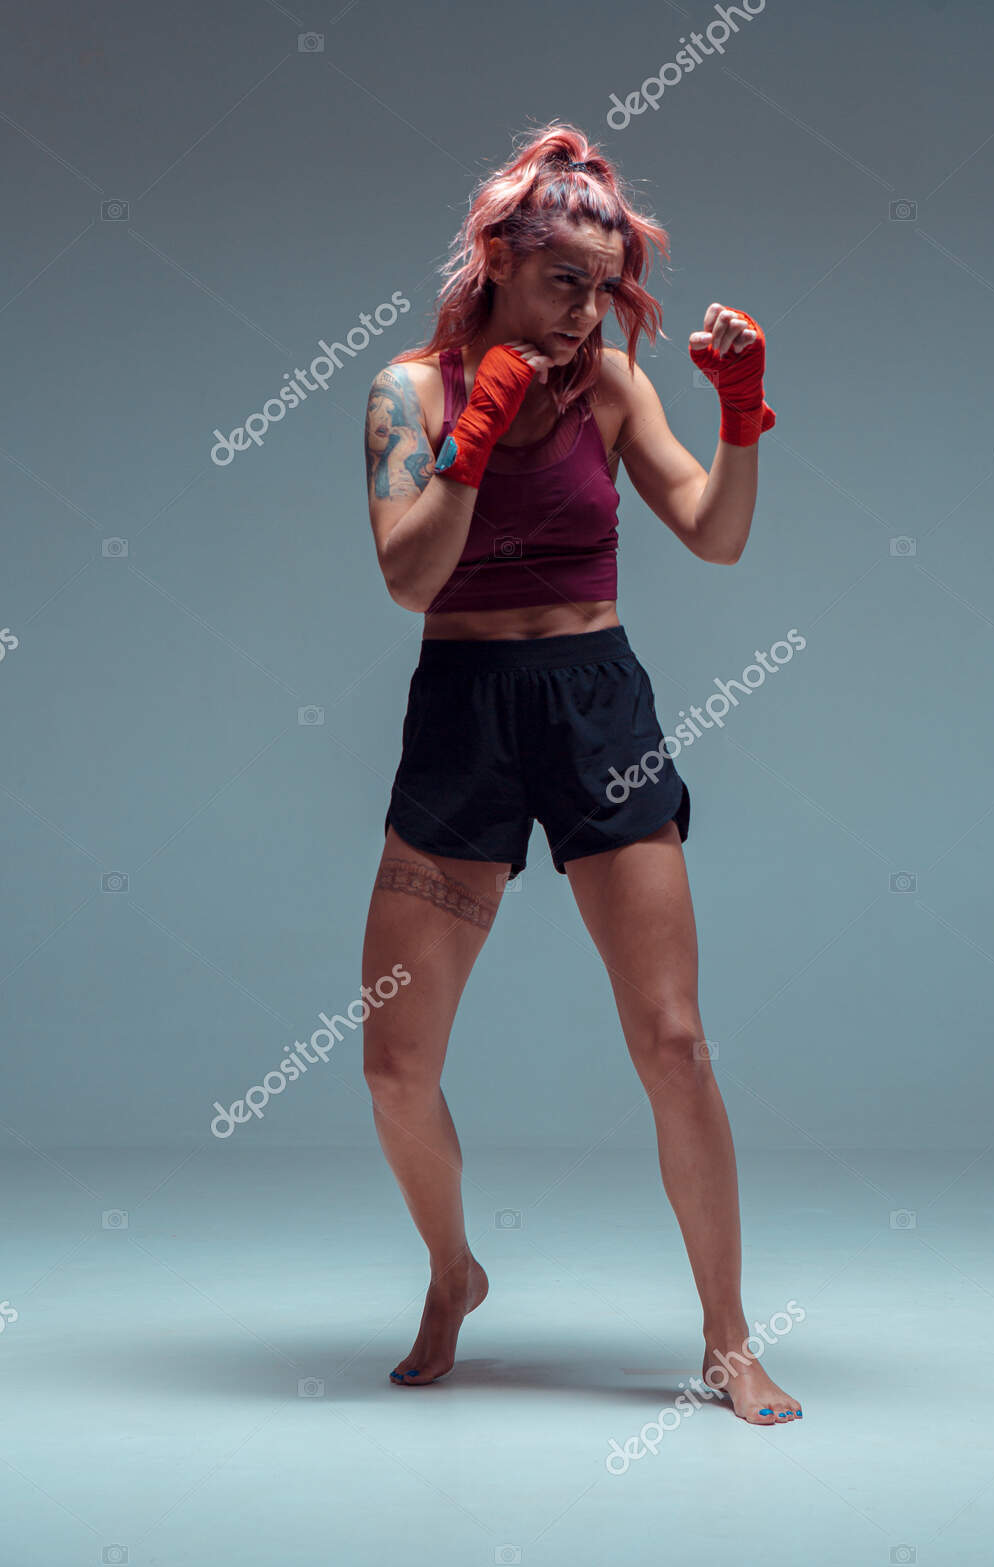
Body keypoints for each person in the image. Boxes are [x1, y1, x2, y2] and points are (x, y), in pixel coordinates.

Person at [360, 122, 801, 1425]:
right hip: (465, 706)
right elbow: (406, 578)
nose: (588, 311)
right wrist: (478, 428)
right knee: (394, 1063)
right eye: (566, 281)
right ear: (498, 260)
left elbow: (715, 538)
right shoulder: (407, 393)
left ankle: (728, 1340)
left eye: (605, 288)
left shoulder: (610, 388)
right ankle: (454, 1274)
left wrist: (741, 417)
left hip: (599, 706)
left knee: (674, 1041)